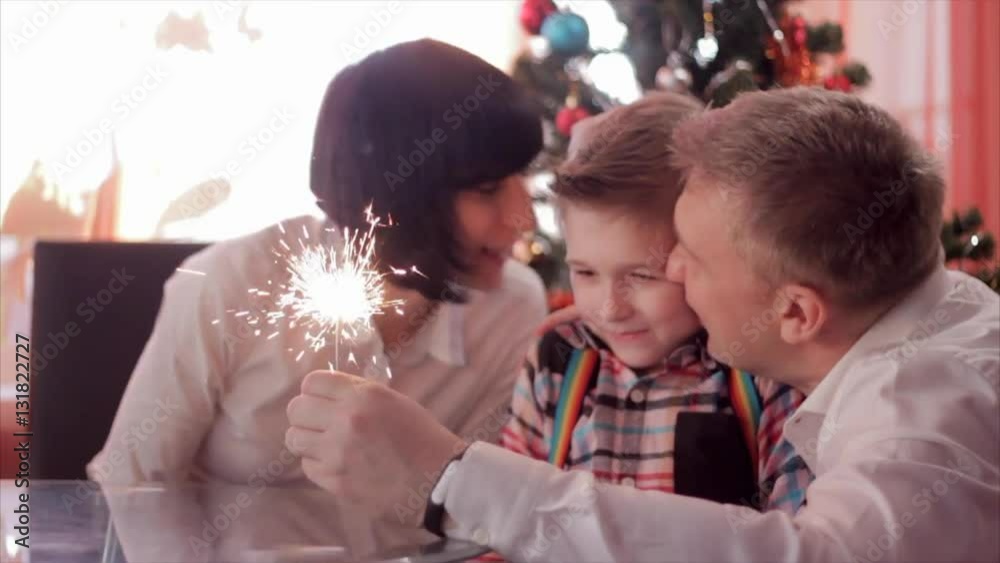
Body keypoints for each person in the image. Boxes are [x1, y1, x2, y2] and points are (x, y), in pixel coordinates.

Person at [285, 86, 999, 562]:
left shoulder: (923, 418)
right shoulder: (922, 333)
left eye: (687, 258)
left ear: (795, 311)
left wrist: (450, 475)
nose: (676, 273)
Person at [88, 38, 548, 486]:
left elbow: (480, 504)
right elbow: (129, 489)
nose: (525, 218)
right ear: (399, 195)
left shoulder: (515, 308)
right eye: (487, 190)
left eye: (522, 178)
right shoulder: (228, 283)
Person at [500, 92, 811, 514]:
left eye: (642, 276)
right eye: (586, 273)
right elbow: (509, 511)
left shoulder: (761, 368)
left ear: (706, 256)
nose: (609, 309)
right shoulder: (557, 355)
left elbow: (799, 539)